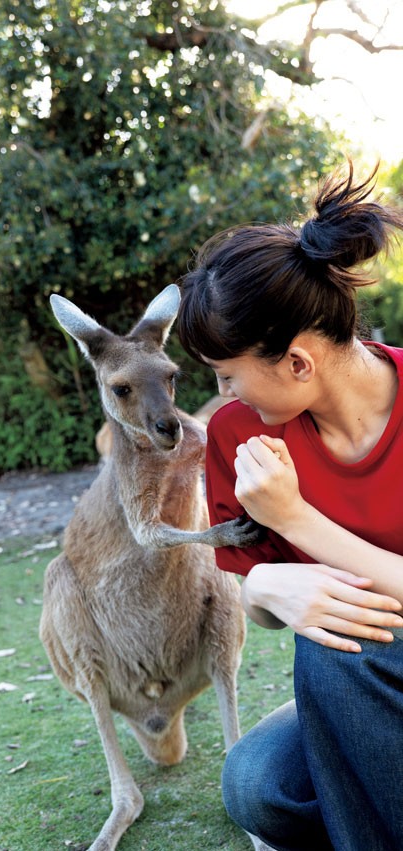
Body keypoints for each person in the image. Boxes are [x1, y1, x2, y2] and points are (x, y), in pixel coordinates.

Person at [176, 162, 403, 851]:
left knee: (339, 652)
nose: (224, 398)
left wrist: (294, 516)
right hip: (369, 674)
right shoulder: (237, 434)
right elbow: (262, 594)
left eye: (228, 377)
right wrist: (265, 587)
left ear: (298, 363)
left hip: (361, 662)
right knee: (259, 786)